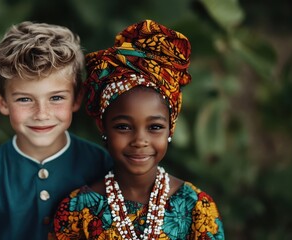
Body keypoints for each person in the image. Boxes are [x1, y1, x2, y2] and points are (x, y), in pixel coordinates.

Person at [52, 19, 225, 239]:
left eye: (154, 127)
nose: (140, 140)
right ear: (102, 126)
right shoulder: (77, 212)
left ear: (170, 128)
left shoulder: (196, 208)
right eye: (123, 127)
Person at [0, 21, 113, 240]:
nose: (41, 113)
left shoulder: (101, 166)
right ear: (2, 102)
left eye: (56, 98)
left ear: (77, 98)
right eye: (24, 99)